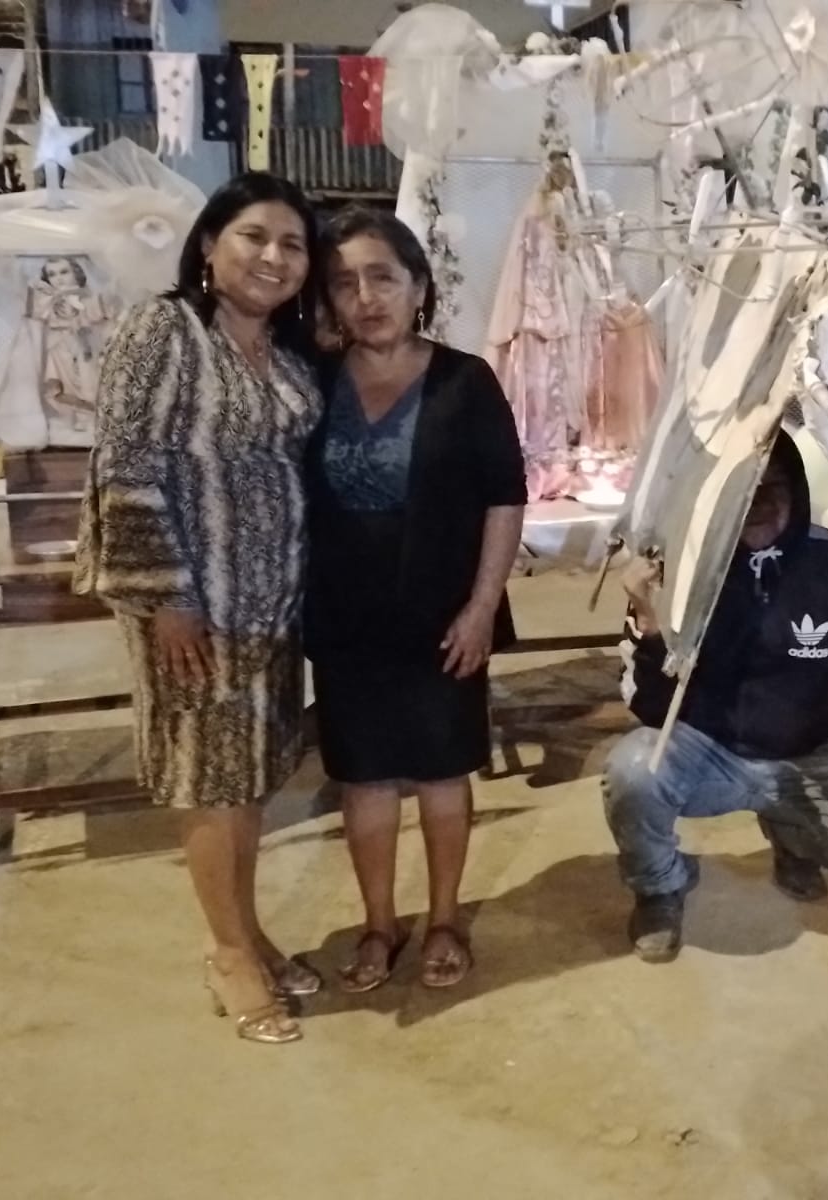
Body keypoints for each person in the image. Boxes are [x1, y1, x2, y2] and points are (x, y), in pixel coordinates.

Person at [74, 173, 324, 1044]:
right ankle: (226, 954)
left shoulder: (287, 352)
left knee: (247, 780)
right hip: (194, 608)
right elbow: (127, 464)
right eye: (254, 236)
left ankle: (246, 932)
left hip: (270, 608)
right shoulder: (166, 329)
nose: (274, 257)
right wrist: (167, 600)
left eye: (293, 244)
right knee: (210, 786)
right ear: (211, 245)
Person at [602, 431, 828, 964]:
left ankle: (791, 834)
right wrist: (648, 619)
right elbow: (651, 709)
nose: (757, 503)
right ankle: (659, 887)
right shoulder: (680, 567)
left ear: (797, 490)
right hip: (710, 748)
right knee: (633, 771)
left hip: (811, 749)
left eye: (772, 487)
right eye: (742, 489)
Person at [304, 206, 527, 992]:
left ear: (419, 286)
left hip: (443, 615)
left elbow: (505, 496)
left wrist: (481, 606)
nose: (366, 297)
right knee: (363, 776)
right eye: (344, 283)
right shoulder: (313, 380)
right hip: (345, 615)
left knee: (439, 771)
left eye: (383, 277)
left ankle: (442, 920)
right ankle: (378, 926)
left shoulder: (466, 381)